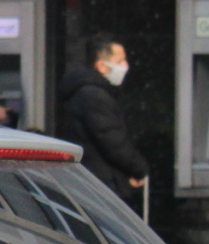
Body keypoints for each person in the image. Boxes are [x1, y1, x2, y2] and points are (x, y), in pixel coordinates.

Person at [59, 33, 150, 202]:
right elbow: (112, 142)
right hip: (101, 183)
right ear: (101, 65)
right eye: (119, 62)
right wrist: (138, 168)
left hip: (92, 179)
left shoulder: (83, 91)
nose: (125, 66)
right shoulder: (95, 95)